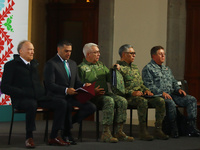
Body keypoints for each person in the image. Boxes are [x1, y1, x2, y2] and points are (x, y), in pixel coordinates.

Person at [1, 40, 69, 148]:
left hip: (38, 97)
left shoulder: (34, 64)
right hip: (21, 99)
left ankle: (54, 136)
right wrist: (23, 92)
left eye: (33, 49)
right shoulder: (11, 65)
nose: (32, 52)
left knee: (61, 103)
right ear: (20, 51)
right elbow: (4, 87)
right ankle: (29, 137)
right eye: (29, 49)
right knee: (31, 104)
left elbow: (37, 84)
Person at [78, 43, 134, 143]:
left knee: (122, 101)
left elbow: (110, 78)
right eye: (95, 52)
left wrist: (114, 70)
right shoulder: (81, 68)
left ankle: (119, 131)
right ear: (87, 55)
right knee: (109, 101)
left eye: (99, 52)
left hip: (105, 94)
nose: (98, 54)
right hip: (92, 97)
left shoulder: (101, 65)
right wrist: (92, 90)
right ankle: (106, 133)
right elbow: (79, 87)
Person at [44, 40, 96, 145]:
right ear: (58, 50)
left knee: (91, 107)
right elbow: (49, 85)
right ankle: (66, 133)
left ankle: (67, 126)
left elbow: (76, 82)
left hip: (71, 96)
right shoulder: (51, 64)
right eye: (66, 51)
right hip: (56, 96)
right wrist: (65, 90)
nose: (68, 53)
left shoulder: (72, 64)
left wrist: (83, 85)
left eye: (70, 51)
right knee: (65, 105)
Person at [142, 45, 200, 138]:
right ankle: (174, 128)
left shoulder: (167, 69)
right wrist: (161, 93)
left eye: (164, 54)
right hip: (158, 96)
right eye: (160, 54)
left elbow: (174, 82)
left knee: (191, 99)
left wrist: (179, 89)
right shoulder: (148, 69)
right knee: (170, 103)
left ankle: (191, 128)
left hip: (172, 94)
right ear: (153, 56)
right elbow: (148, 85)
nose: (163, 56)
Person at [116, 44, 169, 141]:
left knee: (160, 101)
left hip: (140, 95)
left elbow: (140, 83)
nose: (134, 55)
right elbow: (118, 89)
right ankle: (143, 131)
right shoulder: (118, 68)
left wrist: (146, 90)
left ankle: (158, 130)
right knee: (142, 102)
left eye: (134, 53)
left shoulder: (135, 68)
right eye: (131, 53)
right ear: (123, 54)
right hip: (128, 97)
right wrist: (132, 92)